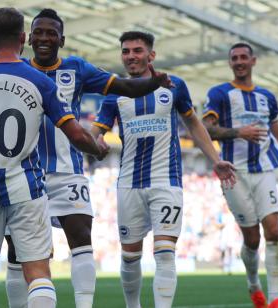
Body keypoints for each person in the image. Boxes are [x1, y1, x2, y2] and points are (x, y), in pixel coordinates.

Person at [0, 8, 172, 308]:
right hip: (28, 176)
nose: (44, 38)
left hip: (63, 172)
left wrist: (152, 83)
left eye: (51, 33)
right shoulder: (23, 71)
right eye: (38, 32)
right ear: (25, 38)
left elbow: (124, 86)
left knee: (79, 236)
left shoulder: (76, 68)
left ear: (61, 40)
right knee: (23, 256)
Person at [91, 31, 236, 308]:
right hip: (128, 184)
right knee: (130, 256)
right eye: (126, 51)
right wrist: (95, 144)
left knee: (165, 253)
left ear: (151, 55)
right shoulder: (114, 94)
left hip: (166, 181)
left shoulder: (174, 85)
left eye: (137, 50)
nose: (131, 56)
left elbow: (193, 123)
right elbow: (96, 132)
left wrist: (214, 159)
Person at [202, 42, 278, 308]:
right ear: (230, 63)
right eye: (234, 58)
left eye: (243, 57)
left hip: (264, 172)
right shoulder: (220, 94)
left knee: (273, 231)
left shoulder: (267, 97)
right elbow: (206, 129)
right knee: (252, 238)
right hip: (234, 174)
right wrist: (238, 132)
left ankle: (275, 300)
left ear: (253, 61)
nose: (239, 61)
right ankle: (253, 285)